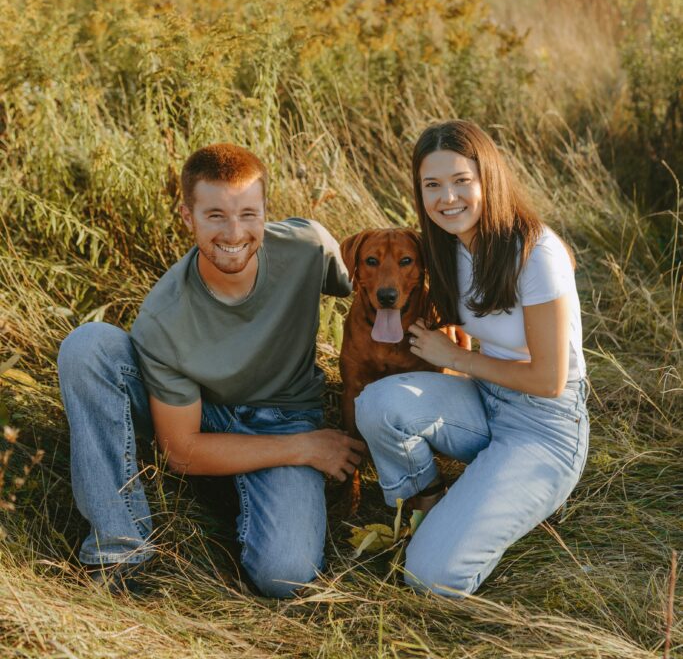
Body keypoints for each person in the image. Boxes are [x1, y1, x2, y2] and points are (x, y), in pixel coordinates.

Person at [58, 142, 363, 598]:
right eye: (215, 215)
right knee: (87, 346)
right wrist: (305, 448)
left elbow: (383, 287)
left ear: (265, 211)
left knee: (286, 575)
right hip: (196, 415)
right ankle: (121, 550)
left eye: (247, 214)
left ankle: (237, 496)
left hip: (283, 413)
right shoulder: (165, 317)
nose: (234, 232)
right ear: (188, 216)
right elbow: (180, 451)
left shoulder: (307, 247)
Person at [354, 120, 589, 597]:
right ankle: (430, 504)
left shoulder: (533, 251)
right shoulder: (448, 245)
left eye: (462, 181)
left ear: (489, 179)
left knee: (428, 578)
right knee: (376, 404)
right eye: (432, 185)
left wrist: (454, 359)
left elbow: (548, 380)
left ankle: (483, 515)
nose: (448, 197)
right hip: (486, 401)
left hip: (545, 425)